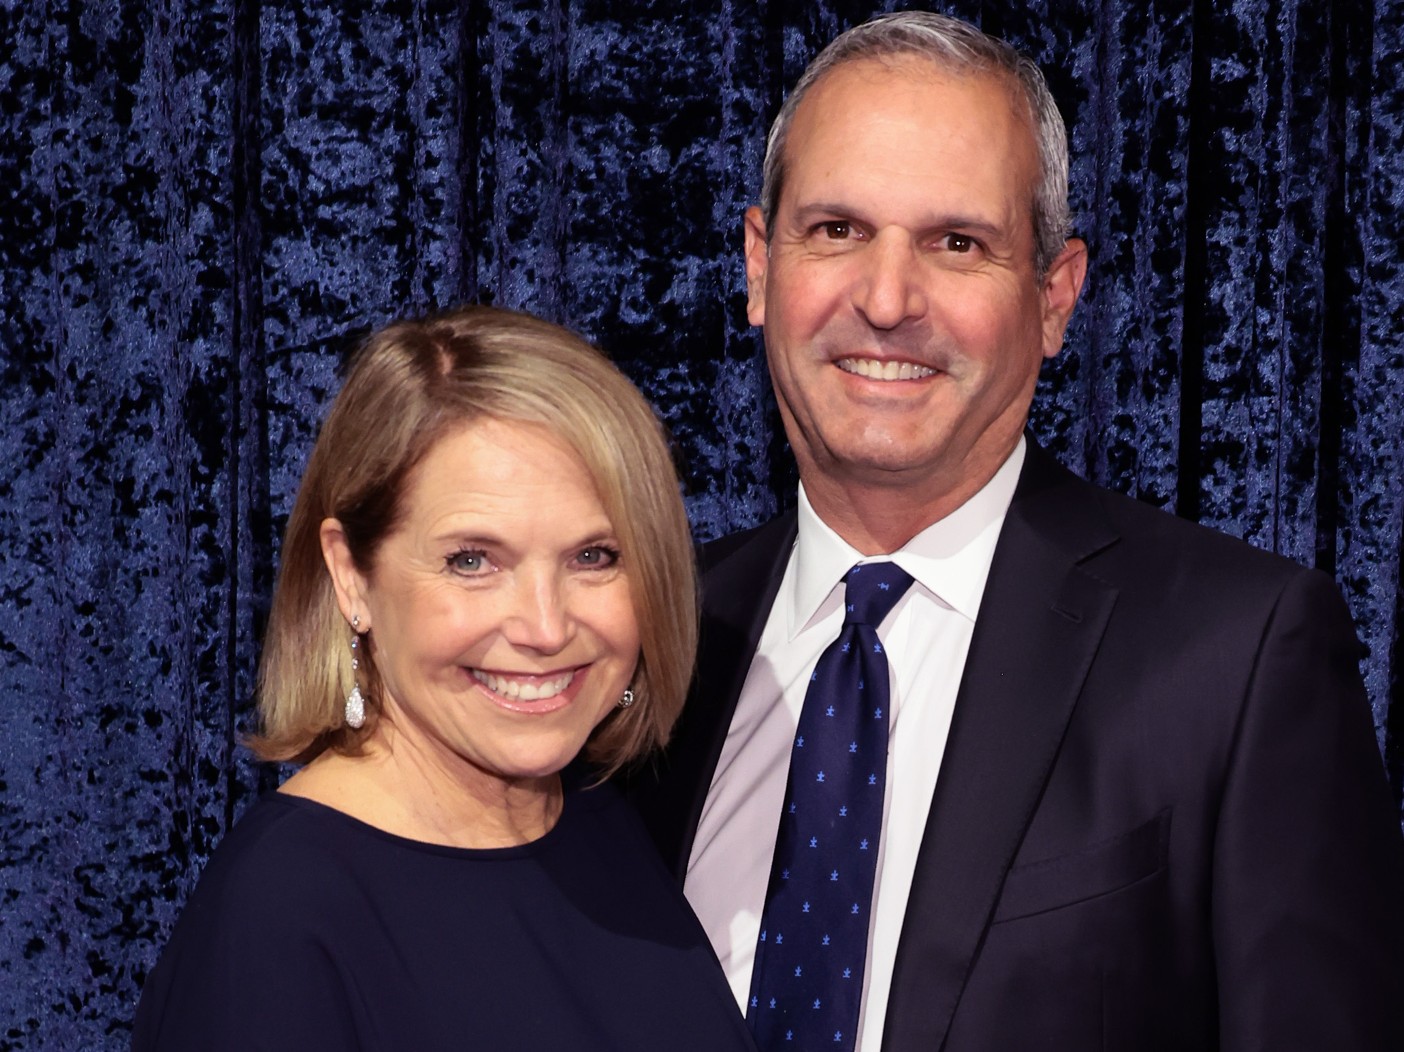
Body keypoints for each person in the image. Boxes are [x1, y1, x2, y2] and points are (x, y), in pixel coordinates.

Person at [628, 12, 1404, 1051]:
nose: (889, 298)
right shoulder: (644, 640)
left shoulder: (1238, 660)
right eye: (837, 230)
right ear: (761, 266)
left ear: (1054, 296)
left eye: (958, 243)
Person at [133, 306, 756, 1051]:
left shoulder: (603, 823)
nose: (546, 628)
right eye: (473, 561)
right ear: (350, 575)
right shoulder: (281, 917)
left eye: (594, 557)